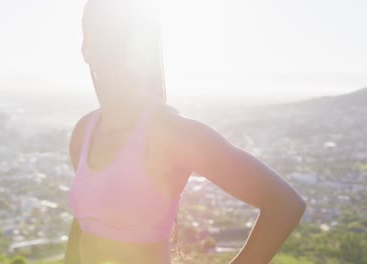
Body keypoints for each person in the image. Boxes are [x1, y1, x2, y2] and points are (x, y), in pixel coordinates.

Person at [63, 0, 307, 263]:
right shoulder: (84, 132)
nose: (119, 51)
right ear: (86, 48)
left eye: (128, 38)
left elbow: (285, 205)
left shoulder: (171, 133)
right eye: (106, 36)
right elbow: (84, 221)